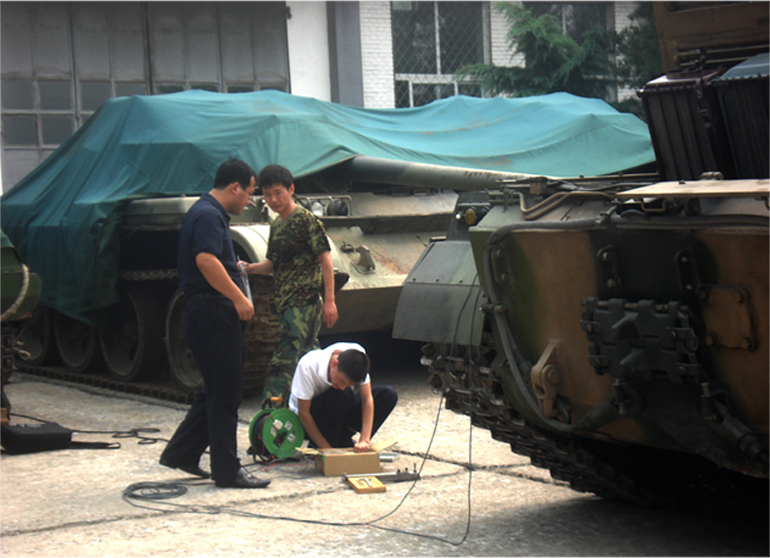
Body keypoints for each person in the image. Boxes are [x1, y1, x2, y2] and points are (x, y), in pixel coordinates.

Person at [159, 158, 270, 489]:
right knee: (227, 395)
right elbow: (205, 261)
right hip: (213, 314)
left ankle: (181, 453)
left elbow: (212, 260)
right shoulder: (208, 215)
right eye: (249, 192)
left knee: (215, 391)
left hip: (207, 314)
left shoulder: (206, 212)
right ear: (234, 187)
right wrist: (238, 297)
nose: (248, 200)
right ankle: (227, 469)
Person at [243, 164, 338, 408]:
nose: (273, 199)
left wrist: (329, 301)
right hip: (286, 304)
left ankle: (270, 413)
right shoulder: (277, 225)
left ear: (291, 189)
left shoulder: (306, 221)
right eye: (267, 195)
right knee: (309, 359)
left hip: (303, 303)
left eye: (278, 193)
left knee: (284, 360)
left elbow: (326, 261)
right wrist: (250, 268)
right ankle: (312, 410)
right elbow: (272, 263)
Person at [288, 342, 397, 452]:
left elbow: (367, 399)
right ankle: (328, 443)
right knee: (342, 393)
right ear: (334, 364)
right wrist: (328, 450)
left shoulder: (358, 356)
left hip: (339, 411)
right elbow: (303, 413)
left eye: (348, 384)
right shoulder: (308, 365)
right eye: (341, 381)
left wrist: (364, 439)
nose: (342, 386)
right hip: (310, 420)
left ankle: (343, 438)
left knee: (388, 394)